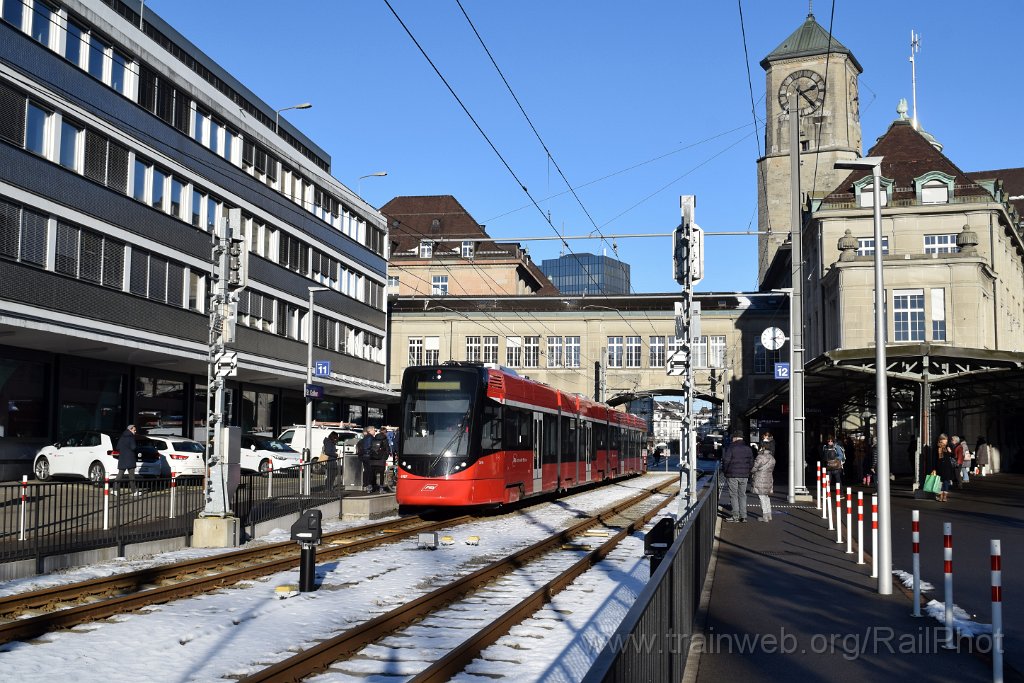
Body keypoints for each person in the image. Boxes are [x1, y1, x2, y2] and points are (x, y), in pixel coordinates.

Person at [721, 431, 753, 523]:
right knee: (742, 495)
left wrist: (725, 472)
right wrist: (748, 472)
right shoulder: (748, 449)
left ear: (735, 438)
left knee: (733, 495)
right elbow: (751, 463)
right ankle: (744, 516)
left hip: (732, 475)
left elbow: (726, 461)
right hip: (744, 475)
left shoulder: (731, 448)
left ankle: (735, 516)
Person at [750, 435, 776, 522]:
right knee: (766, 497)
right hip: (768, 478)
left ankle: (765, 516)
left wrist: (751, 471)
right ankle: (769, 514)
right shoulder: (772, 458)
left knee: (761, 497)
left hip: (760, 478)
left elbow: (754, 467)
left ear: (763, 447)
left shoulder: (760, 457)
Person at [115, 424, 140, 496]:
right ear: (130, 429)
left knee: (120, 474)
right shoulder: (131, 437)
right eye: (134, 430)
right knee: (131, 476)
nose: (135, 431)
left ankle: (115, 490)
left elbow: (118, 447)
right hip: (130, 458)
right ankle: (134, 491)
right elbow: (133, 447)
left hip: (123, 458)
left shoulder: (122, 436)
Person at [369, 426, 391, 493]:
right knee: (381, 474)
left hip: (373, 459)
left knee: (372, 473)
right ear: (385, 432)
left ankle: (370, 487)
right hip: (381, 459)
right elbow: (387, 450)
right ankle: (381, 488)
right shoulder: (385, 439)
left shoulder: (374, 438)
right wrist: (385, 457)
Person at [935, 433, 955, 502]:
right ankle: (941, 496)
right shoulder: (939, 447)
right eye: (944, 439)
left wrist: (950, 452)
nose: (946, 440)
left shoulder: (947, 447)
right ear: (941, 440)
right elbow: (941, 458)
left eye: (946, 439)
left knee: (946, 482)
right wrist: (948, 452)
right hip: (941, 468)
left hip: (947, 468)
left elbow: (952, 456)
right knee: (940, 482)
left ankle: (945, 496)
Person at [356, 426, 374, 491]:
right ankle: (369, 485)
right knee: (370, 471)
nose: (374, 431)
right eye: (374, 430)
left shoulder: (364, 438)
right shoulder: (370, 437)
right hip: (368, 456)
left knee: (366, 470)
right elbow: (369, 446)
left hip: (363, 456)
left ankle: (365, 484)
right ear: (370, 431)